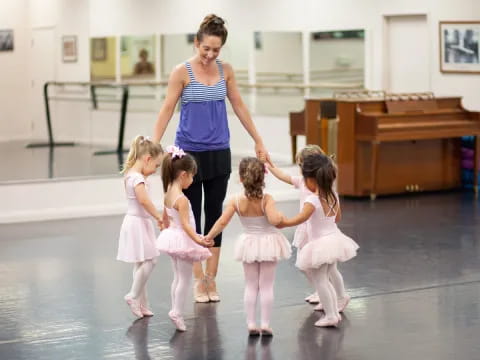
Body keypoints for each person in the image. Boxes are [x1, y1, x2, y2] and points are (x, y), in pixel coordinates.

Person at [152, 14, 270, 303]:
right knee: (190, 216)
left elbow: (239, 105)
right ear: (197, 43)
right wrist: (154, 146)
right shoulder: (181, 72)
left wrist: (258, 139)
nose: (210, 54)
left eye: (216, 50)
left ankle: (211, 279)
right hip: (188, 155)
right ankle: (196, 279)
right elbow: (167, 109)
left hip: (219, 151)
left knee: (214, 214)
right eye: (206, 48)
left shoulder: (225, 70)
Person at [205, 157, 291, 336]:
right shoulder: (267, 199)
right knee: (266, 286)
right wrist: (281, 216)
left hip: (249, 244)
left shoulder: (236, 201)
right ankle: (266, 323)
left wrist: (209, 236)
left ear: (241, 178)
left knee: (251, 286)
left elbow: (221, 222)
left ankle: (251, 323)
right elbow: (275, 220)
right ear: (263, 178)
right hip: (268, 244)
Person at [278, 153, 359, 327]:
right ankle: (334, 311)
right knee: (326, 276)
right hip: (334, 239)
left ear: (311, 180)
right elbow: (337, 218)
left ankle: (331, 315)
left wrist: (284, 222)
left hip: (320, 244)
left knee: (320, 280)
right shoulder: (333, 195)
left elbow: (301, 218)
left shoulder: (312, 200)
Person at [156, 145, 214, 332]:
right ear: (183, 175)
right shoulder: (182, 199)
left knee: (177, 277)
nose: (193, 180)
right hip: (183, 240)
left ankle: (175, 309)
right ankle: (177, 312)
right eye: (192, 176)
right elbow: (187, 225)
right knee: (185, 279)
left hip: (172, 237)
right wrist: (199, 240)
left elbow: (165, 217)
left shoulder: (167, 193)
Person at [267, 145, 324, 305]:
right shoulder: (302, 182)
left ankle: (326, 293)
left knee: (317, 265)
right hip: (305, 230)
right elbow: (283, 176)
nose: (299, 169)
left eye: (301, 165)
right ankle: (320, 291)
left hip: (315, 231)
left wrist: (286, 222)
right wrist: (269, 165)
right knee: (304, 265)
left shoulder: (319, 186)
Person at [117, 135, 164, 318]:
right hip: (138, 222)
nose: (155, 170)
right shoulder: (138, 179)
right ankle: (133, 295)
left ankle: (142, 303)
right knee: (151, 260)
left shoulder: (130, 174)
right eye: (156, 166)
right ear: (147, 159)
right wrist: (158, 216)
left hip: (135, 221)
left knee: (141, 261)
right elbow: (144, 201)